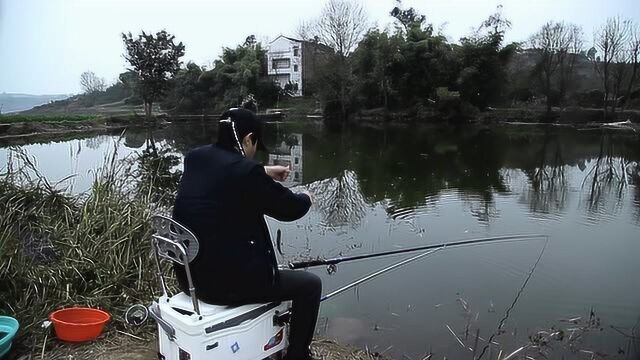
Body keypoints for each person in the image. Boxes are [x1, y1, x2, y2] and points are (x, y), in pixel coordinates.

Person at [172, 108, 321, 360]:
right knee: (310, 285)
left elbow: (226, 172)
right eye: (254, 145)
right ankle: (298, 356)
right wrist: (306, 197)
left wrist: (264, 170)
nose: (253, 152)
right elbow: (289, 208)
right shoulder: (245, 172)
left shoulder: (196, 158)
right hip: (227, 287)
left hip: (190, 279)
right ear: (248, 139)